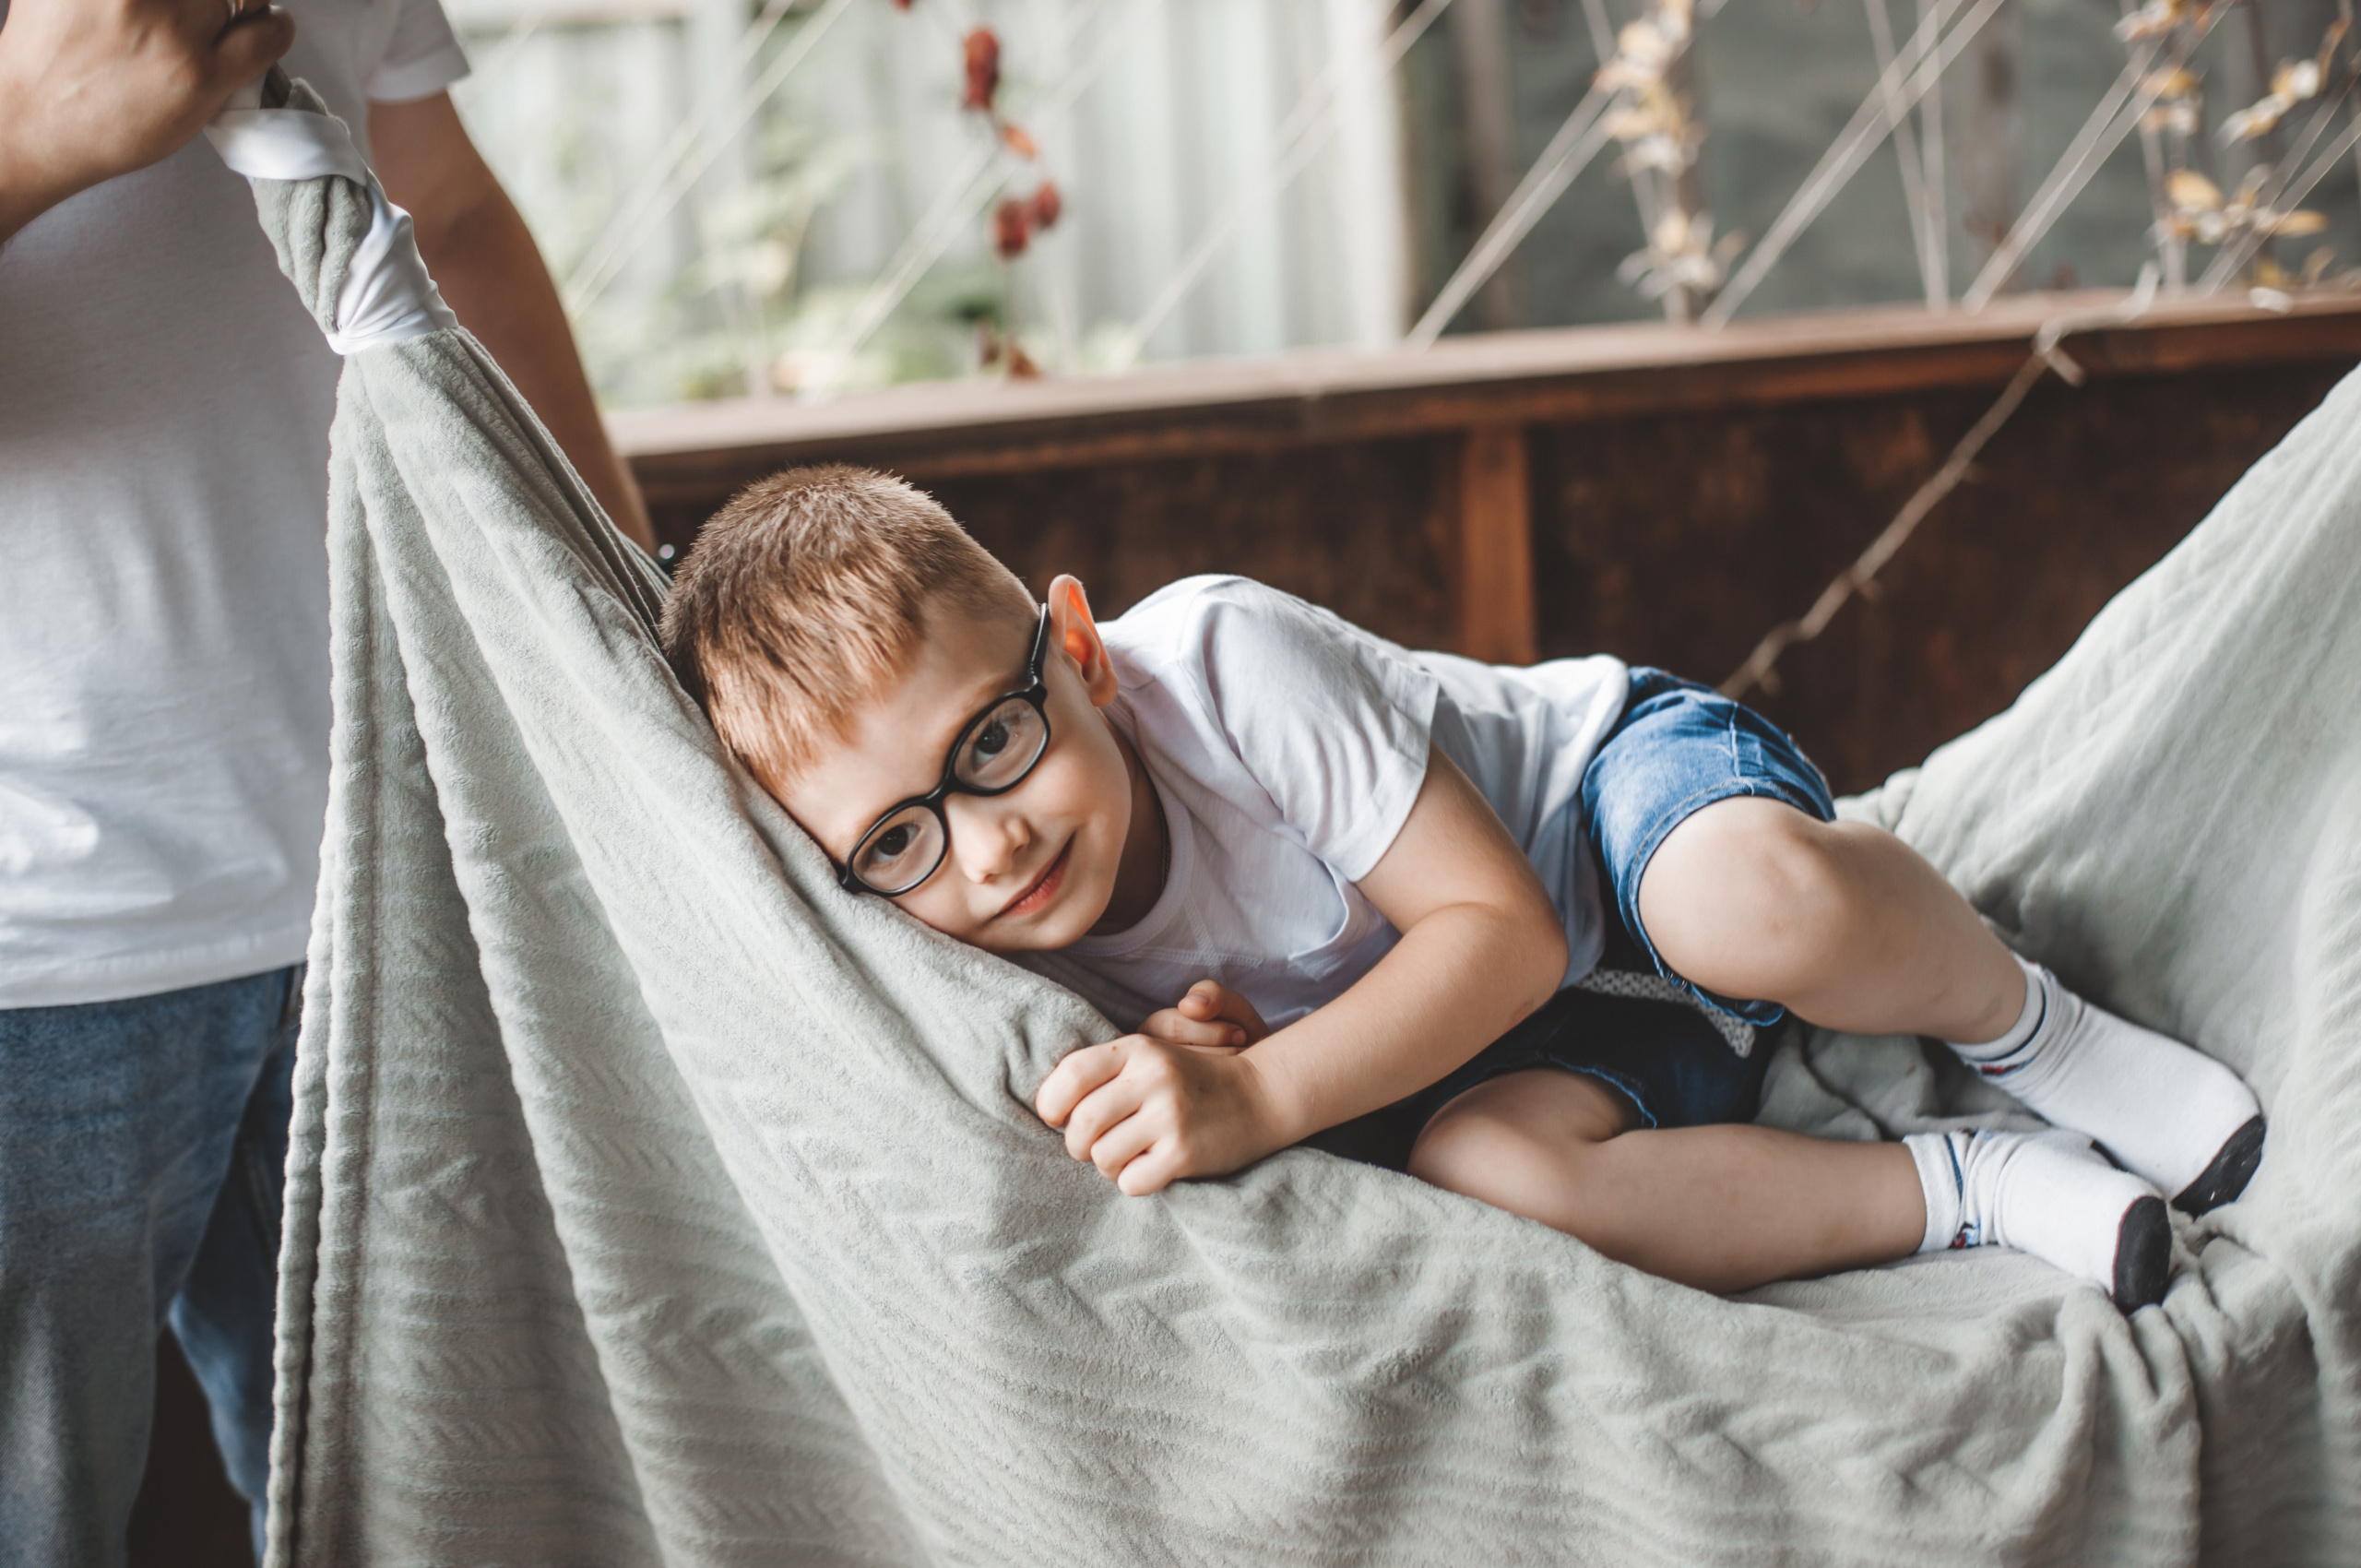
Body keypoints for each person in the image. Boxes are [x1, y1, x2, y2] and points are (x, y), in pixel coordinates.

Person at [658, 467, 2268, 1312]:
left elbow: (1499, 934)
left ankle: (2028, 1026)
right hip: (1581, 1023)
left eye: (994, 740)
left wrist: (1257, 1095)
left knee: (1747, 908)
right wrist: (1220, 1049)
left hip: (1608, 820)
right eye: (897, 842)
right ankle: (1965, 1190)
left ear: (1078, 653)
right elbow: (1300, 1020)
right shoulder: (995, 955)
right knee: (1495, 1169)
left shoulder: (1220, 662)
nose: (989, 845)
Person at [0, 0, 653, 1560]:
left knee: (472, 1519)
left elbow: (454, 213)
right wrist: (26, 144)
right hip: (28, 961)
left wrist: (642, 633)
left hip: (390, 888)